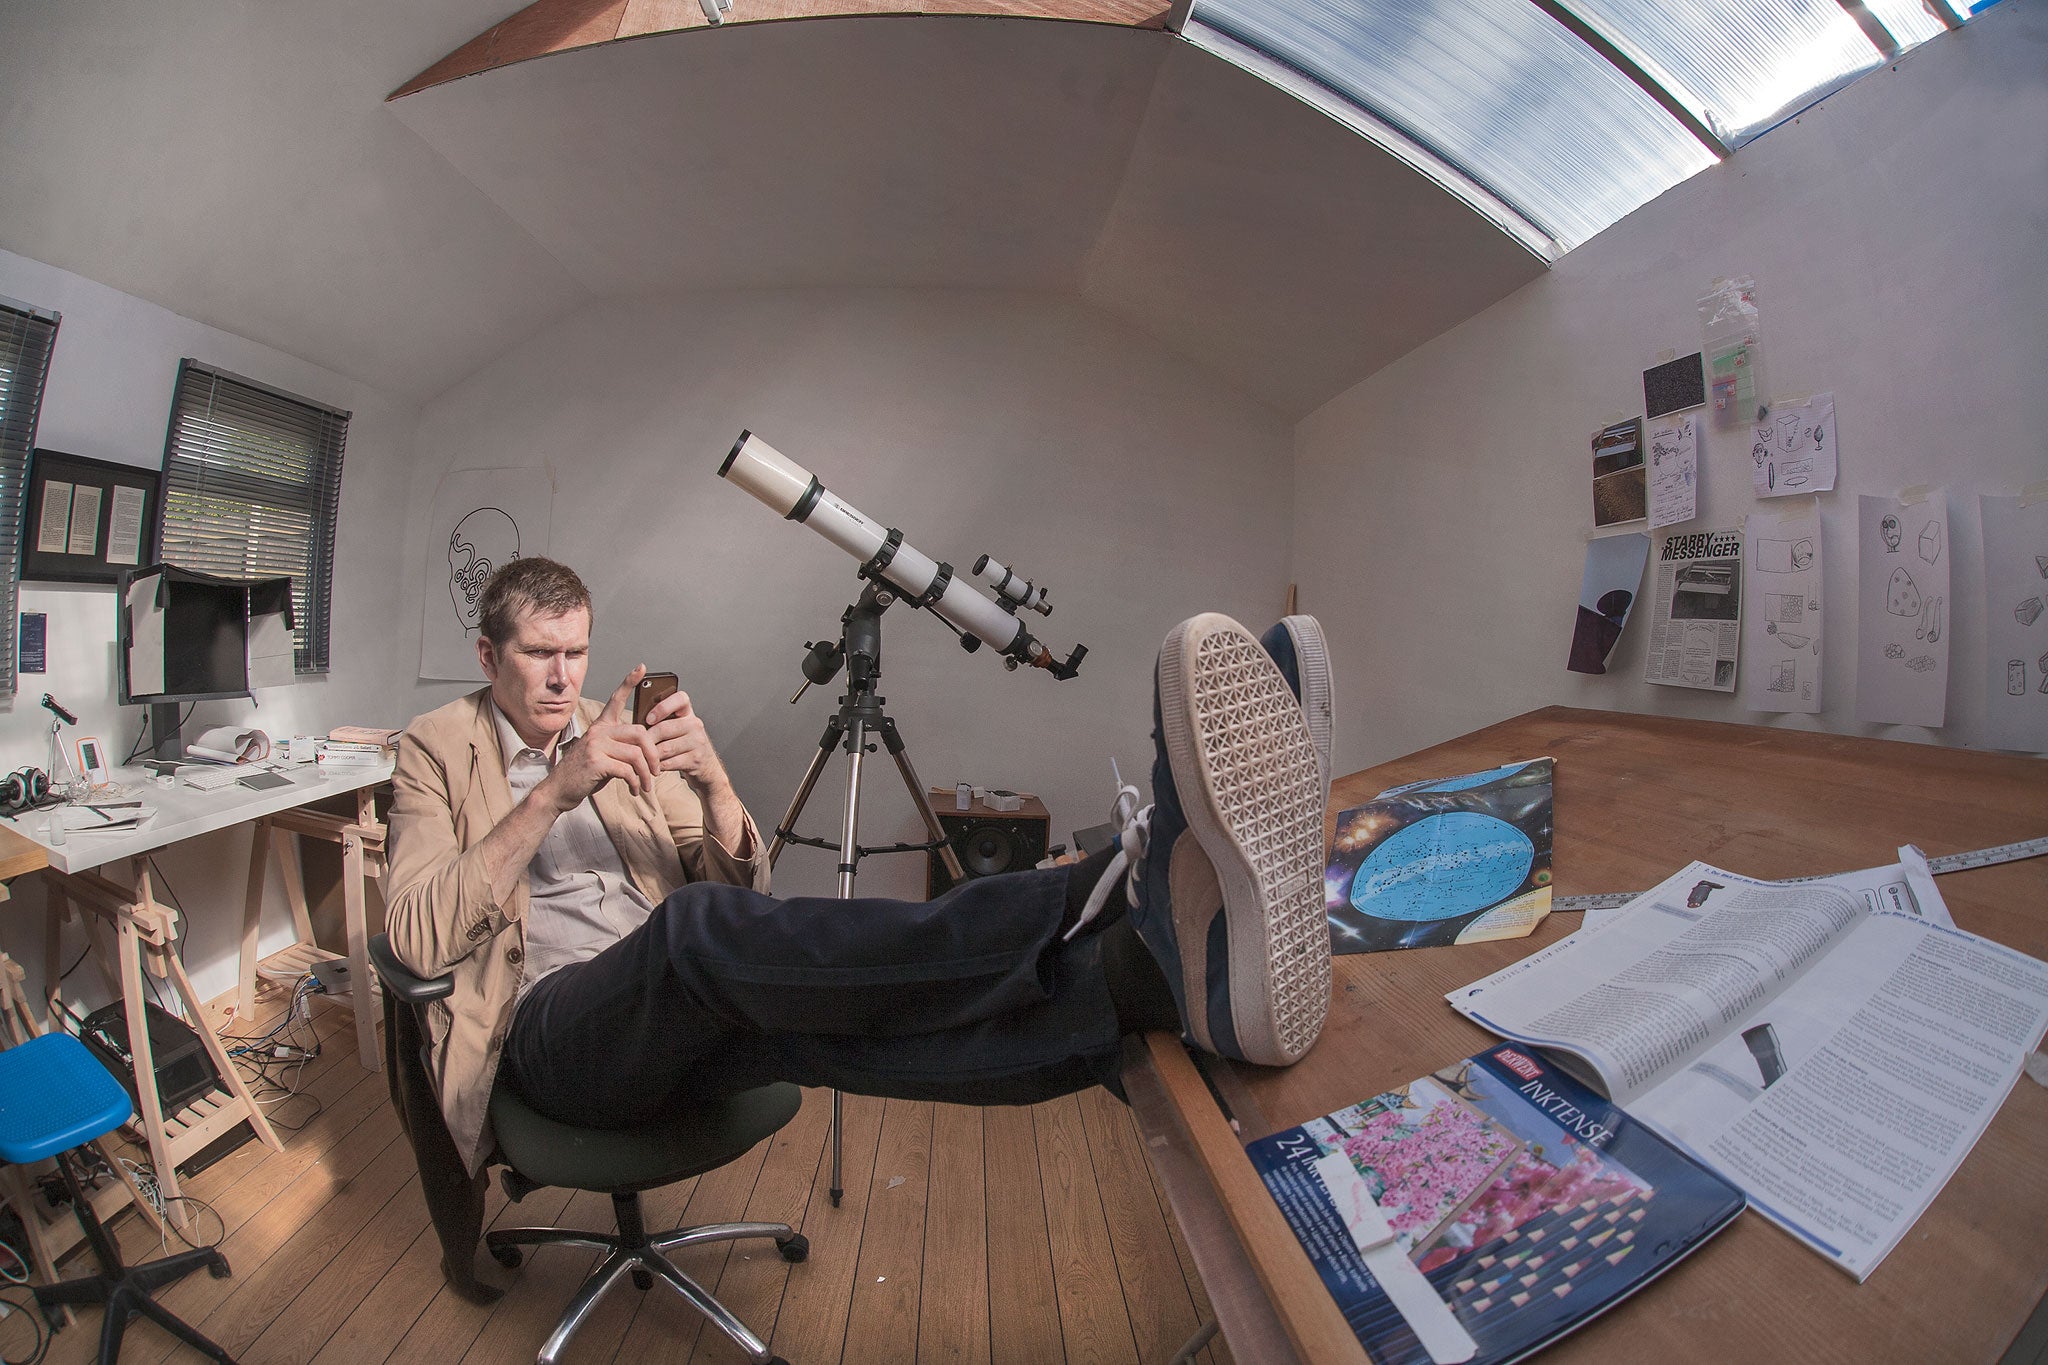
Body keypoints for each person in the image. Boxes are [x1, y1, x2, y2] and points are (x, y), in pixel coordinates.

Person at [386, 558, 1333, 1177]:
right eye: (539, 654)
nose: (563, 677)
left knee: (828, 1026)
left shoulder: (611, 728)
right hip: (552, 1036)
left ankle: (1147, 988)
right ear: (487, 653)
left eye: (576, 651)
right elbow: (415, 935)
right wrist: (554, 790)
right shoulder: (436, 750)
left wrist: (714, 780)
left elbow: (739, 902)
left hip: (672, 1005)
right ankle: (1090, 891)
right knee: (686, 932)